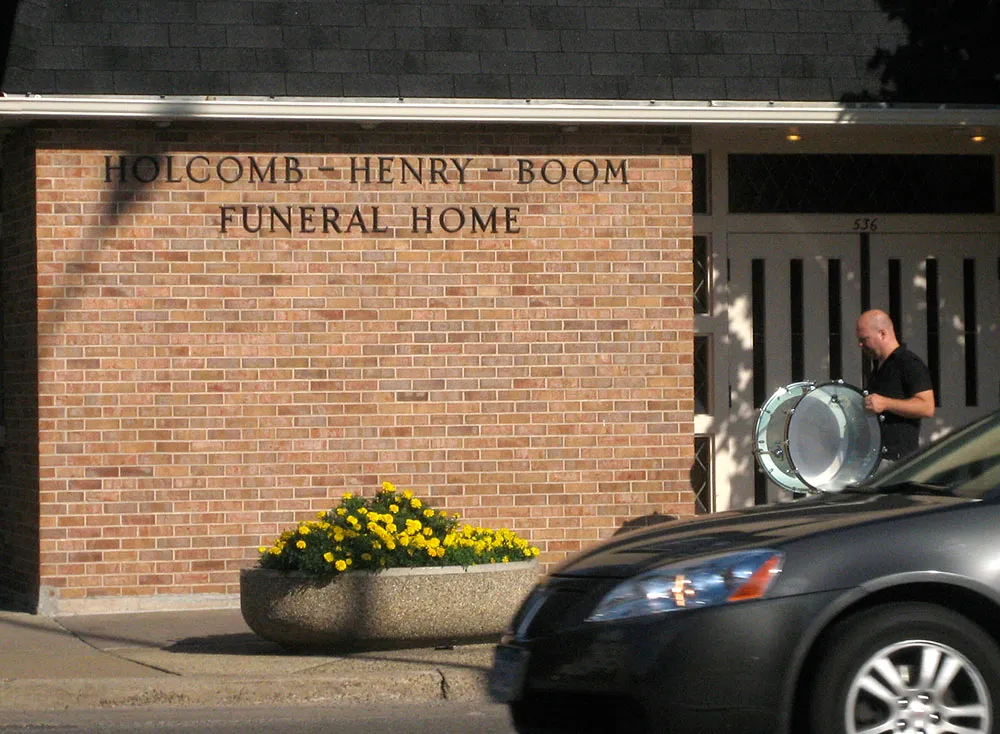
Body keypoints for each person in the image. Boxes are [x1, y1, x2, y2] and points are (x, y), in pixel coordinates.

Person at [855, 309, 935, 469]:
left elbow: (927, 407)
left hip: (896, 462)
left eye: (864, 339)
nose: (860, 345)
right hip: (874, 459)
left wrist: (886, 403)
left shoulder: (907, 362)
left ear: (883, 333)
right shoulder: (879, 367)